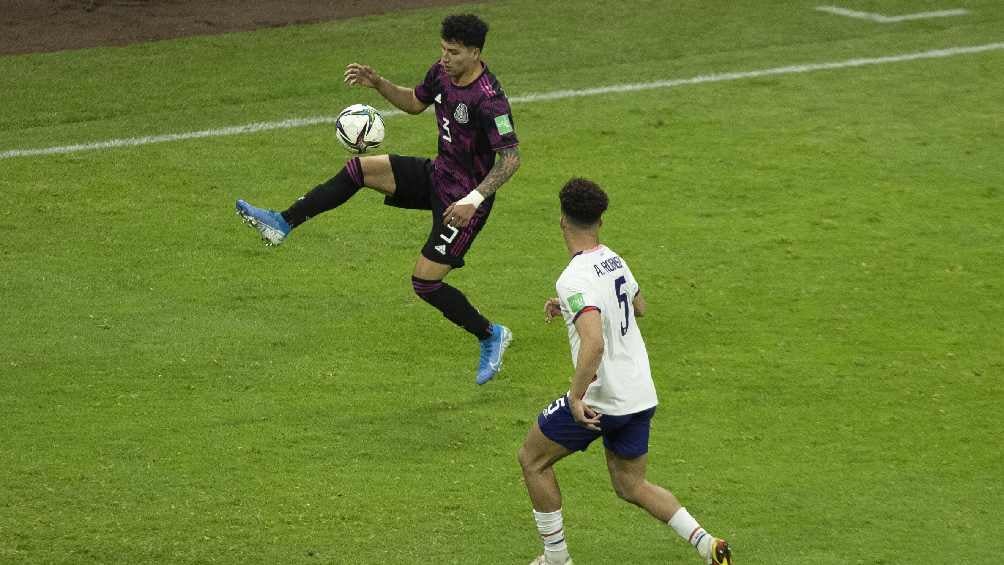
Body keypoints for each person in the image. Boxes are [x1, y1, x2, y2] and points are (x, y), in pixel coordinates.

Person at [235, 14, 518, 384]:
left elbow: (511, 159)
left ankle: (491, 334)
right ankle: (282, 223)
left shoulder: (489, 100)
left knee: (426, 283)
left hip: (463, 202)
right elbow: (416, 102)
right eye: (442, 49)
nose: (445, 57)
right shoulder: (442, 73)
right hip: (438, 175)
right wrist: (378, 83)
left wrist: (474, 200)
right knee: (360, 170)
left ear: (475, 52)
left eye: (453, 52)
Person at [517, 179, 733, 565]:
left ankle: (556, 559)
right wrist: (571, 306)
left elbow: (594, 343)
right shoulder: (614, 259)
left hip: (601, 399)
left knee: (532, 459)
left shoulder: (573, 278)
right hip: (639, 394)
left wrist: (575, 395)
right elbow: (640, 306)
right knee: (631, 485)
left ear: (562, 220)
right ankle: (707, 544)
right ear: (600, 219)